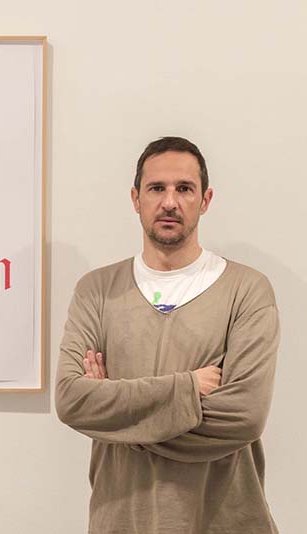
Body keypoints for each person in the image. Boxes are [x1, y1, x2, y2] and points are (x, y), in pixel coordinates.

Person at [56, 137, 279, 533]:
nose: (170, 202)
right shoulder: (97, 291)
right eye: (157, 188)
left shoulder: (246, 289)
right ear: (135, 198)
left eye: (185, 189)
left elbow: (245, 416)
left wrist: (117, 415)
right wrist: (189, 388)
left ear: (205, 199)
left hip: (226, 522)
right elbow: (73, 400)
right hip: (122, 522)